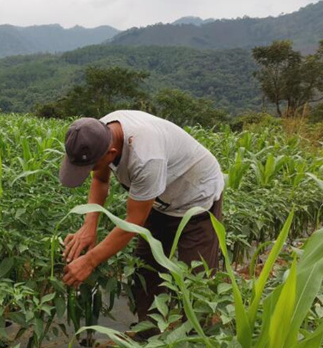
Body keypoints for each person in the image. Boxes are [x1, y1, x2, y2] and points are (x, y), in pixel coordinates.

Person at [59, 110, 224, 332]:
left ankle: (196, 345)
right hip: (159, 199)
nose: (91, 171)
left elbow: (133, 223)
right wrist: (90, 225)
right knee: (145, 266)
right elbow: (100, 178)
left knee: (197, 280)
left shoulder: (146, 157)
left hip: (195, 197)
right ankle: (149, 336)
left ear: (112, 153)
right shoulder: (98, 133)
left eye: (92, 165)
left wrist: (89, 261)